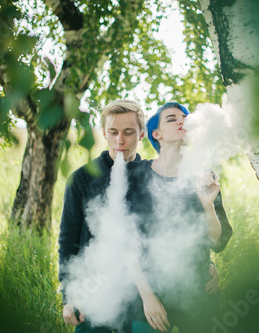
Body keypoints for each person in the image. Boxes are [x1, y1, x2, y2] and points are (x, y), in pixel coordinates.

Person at [58, 100, 221, 333]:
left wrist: (204, 263)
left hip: (141, 300)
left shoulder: (149, 174)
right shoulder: (82, 179)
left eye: (128, 132)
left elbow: (172, 229)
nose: (119, 140)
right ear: (104, 132)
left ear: (142, 134)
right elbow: (67, 241)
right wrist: (70, 295)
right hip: (96, 297)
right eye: (113, 132)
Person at [128, 102, 233, 333]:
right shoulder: (136, 176)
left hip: (198, 292)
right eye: (172, 119)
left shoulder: (203, 176)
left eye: (185, 117)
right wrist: (147, 297)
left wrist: (208, 206)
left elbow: (217, 242)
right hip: (148, 296)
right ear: (156, 134)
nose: (181, 121)